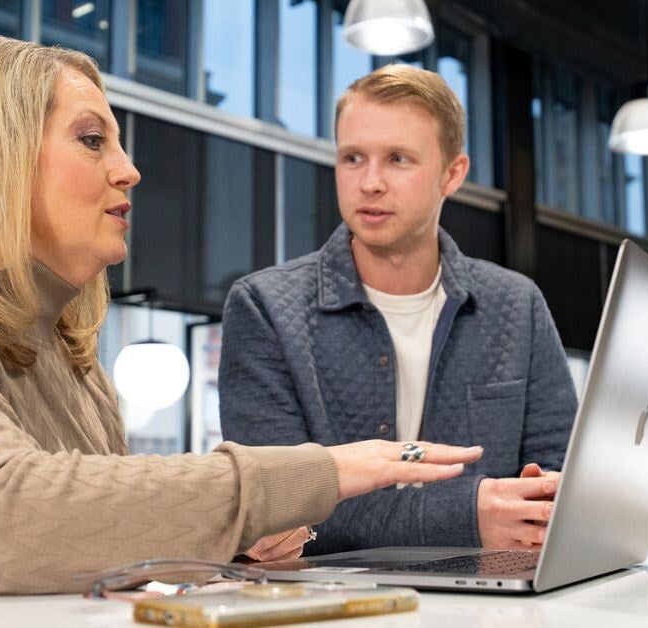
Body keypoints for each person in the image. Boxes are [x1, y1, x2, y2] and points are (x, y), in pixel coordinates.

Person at [0, 36, 482, 595]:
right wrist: (311, 475)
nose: (129, 170)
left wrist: (223, 541)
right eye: (93, 140)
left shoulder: (70, 355)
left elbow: (81, 549)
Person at [219, 65, 578, 554]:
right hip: (335, 600)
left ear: (452, 173)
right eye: (352, 158)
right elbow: (277, 511)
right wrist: (468, 515)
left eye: (398, 159)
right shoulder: (264, 308)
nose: (370, 182)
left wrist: (539, 500)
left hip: (494, 593)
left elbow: (563, 474)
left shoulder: (517, 304)